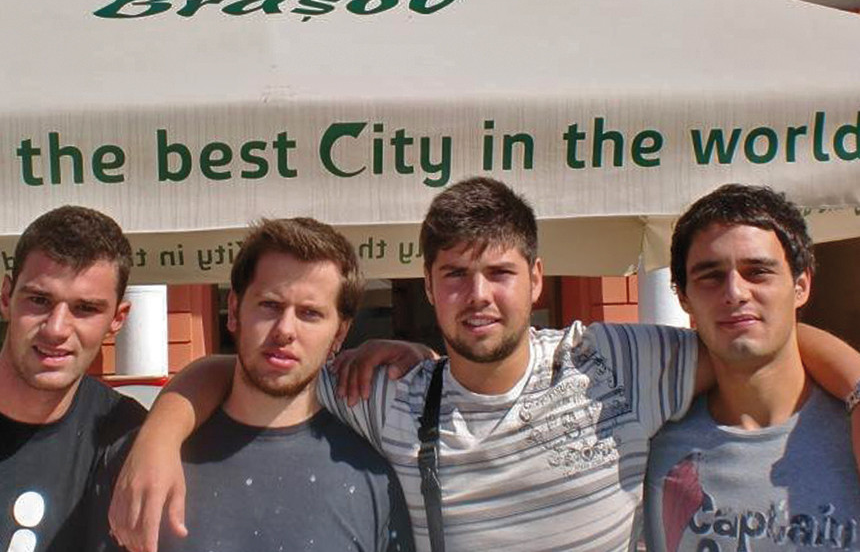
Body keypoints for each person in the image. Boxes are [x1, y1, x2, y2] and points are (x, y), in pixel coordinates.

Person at [108, 178, 860, 552]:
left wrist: (859, 390)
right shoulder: (387, 393)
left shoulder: (616, 361)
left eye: (499, 273)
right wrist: (160, 430)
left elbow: (755, 339)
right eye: (455, 275)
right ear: (428, 286)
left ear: (536, 279)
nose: (478, 296)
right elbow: (254, 366)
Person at [97, 218, 413, 552]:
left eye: (309, 313)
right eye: (270, 305)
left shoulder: (374, 480)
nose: (285, 330)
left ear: (339, 333)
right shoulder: (141, 465)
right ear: (234, 310)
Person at [644, 184, 860, 551]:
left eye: (758, 272)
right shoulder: (647, 444)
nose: (735, 292)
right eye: (710, 276)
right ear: (683, 297)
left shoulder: (852, 431)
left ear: (801, 285)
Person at [0, 206, 146, 552]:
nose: (56, 329)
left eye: (85, 309)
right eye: (39, 300)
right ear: (6, 297)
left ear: (117, 319)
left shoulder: (129, 438)